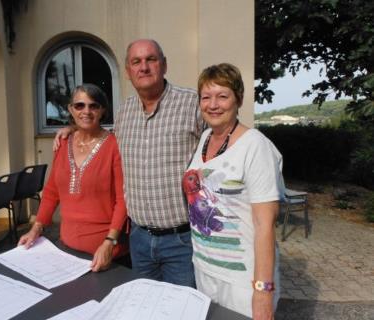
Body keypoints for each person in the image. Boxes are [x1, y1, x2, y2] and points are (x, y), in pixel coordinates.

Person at [55, 39, 204, 287]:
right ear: (128, 71)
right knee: (143, 307)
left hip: (182, 240)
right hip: (139, 239)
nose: (143, 67)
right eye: (136, 62)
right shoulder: (125, 112)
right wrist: (72, 128)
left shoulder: (192, 104)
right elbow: (100, 133)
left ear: (164, 65)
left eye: (151, 60)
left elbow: (223, 141)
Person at [182, 63, 283, 318]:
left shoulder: (255, 146)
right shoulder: (205, 138)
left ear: (238, 99)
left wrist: (262, 291)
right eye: (206, 97)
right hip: (205, 270)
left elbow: (265, 225)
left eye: (222, 96)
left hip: (242, 281)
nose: (213, 104)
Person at [18, 83, 128, 272]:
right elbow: (52, 192)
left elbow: (123, 199)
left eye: (93, 106)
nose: (86, 111)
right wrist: (36, 228)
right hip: (66, 250)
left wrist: (110, 242)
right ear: (70, 109)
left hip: (106, 254)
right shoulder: (62, 143)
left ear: (102, 110)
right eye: (79, 105)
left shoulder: (114, 146)